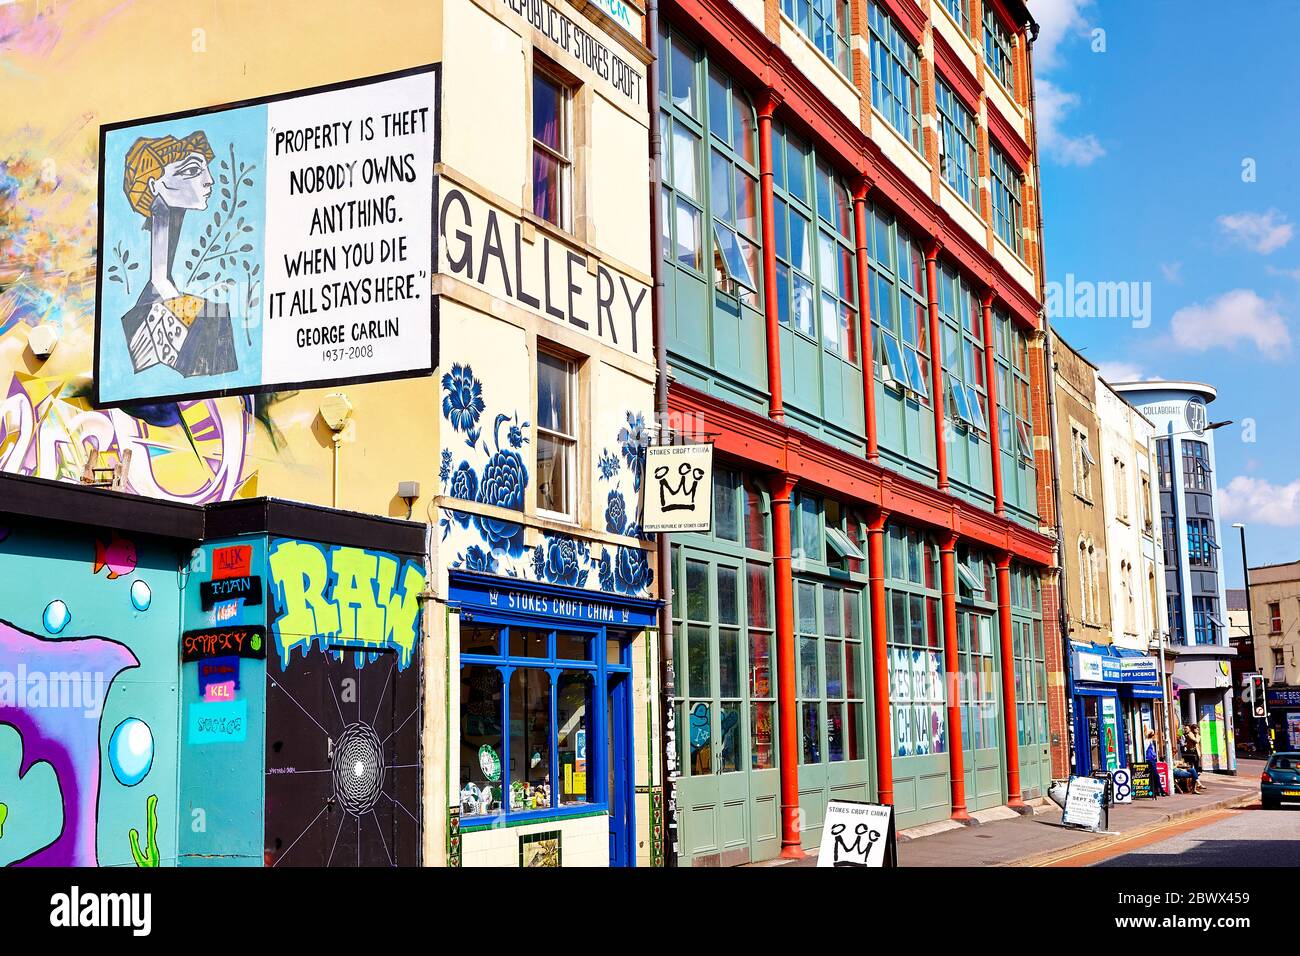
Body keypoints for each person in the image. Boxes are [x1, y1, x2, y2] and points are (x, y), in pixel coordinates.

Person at [1144, 729, 1166, 797]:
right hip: (1149, 760)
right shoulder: (1147, 742)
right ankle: (1161, 790)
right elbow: (1144, 751)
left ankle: (1157, 790)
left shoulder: (1151, 742)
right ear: (1152, 735)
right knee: (1156, 775)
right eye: (1154, 735)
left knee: (1154, 776)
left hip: (1152, 760)